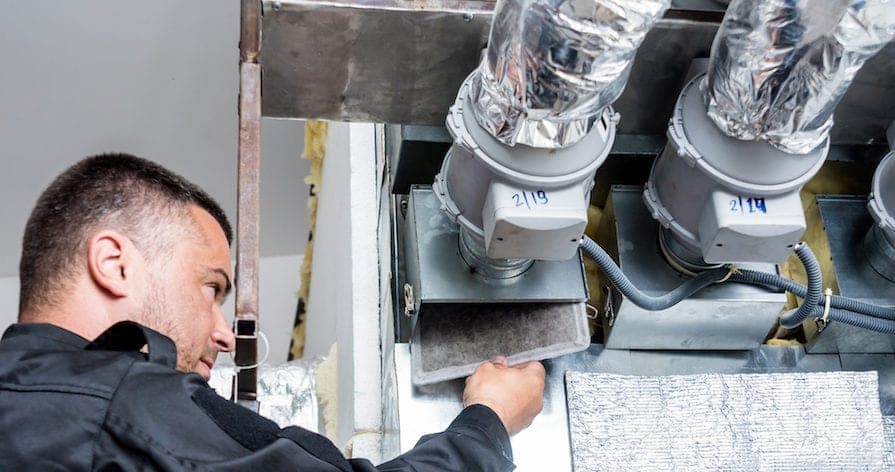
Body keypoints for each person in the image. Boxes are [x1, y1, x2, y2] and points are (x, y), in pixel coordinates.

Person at [0, 154, 546, 471]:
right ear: (114, 264)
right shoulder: (120, 403)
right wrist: (488, 421)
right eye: (211, 288)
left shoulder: (33, 403)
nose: (221, 333)